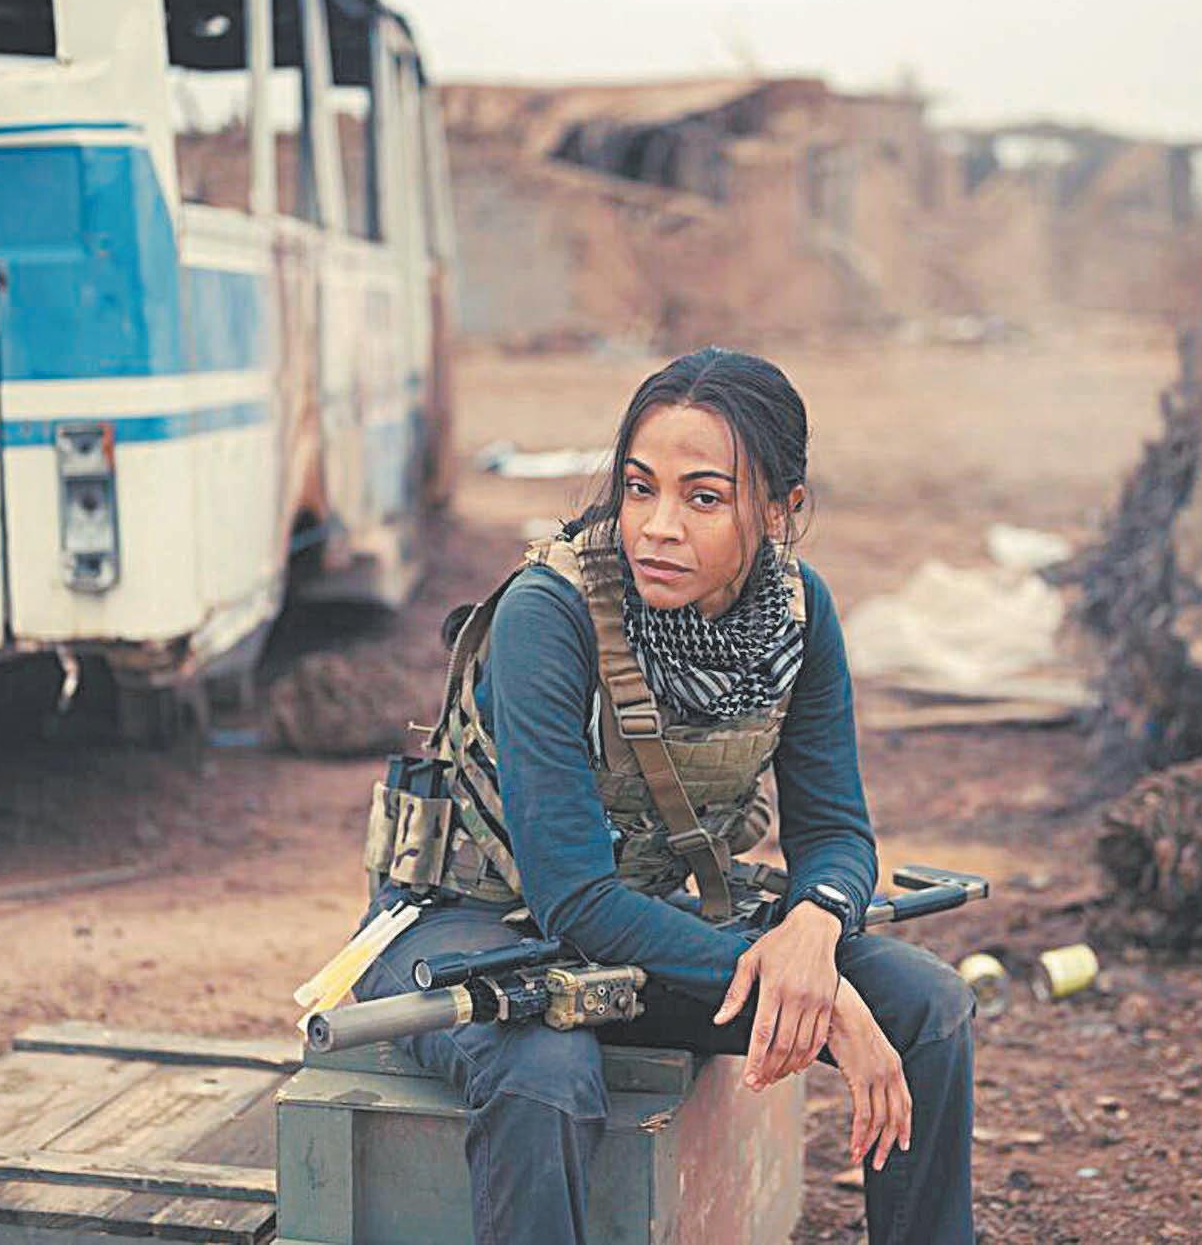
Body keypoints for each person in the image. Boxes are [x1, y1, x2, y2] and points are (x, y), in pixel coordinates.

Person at [353, 347, 976, 1243]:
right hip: (463, 926)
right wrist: (822, 1000)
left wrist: (814, 931)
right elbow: (572, 896)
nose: (658, 527)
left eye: (704, 498)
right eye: (640, 489)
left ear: (781, 509)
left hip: (636, 926)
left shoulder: (799, 612)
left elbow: (836, 830)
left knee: (929, 1007)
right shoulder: (550, 613)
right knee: (544, 1073)